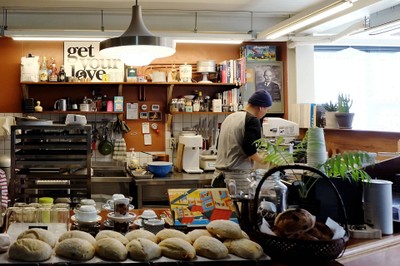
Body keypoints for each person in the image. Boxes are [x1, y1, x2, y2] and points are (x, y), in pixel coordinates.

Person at [212, 90, 272, 194]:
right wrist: (266, 161)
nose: (265, 113)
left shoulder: (229, 117)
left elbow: (218, 146)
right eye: (267, 109)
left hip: (217, 177)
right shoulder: (253, 120)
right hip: (237, 181)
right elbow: (249, 148)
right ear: (261, 107)